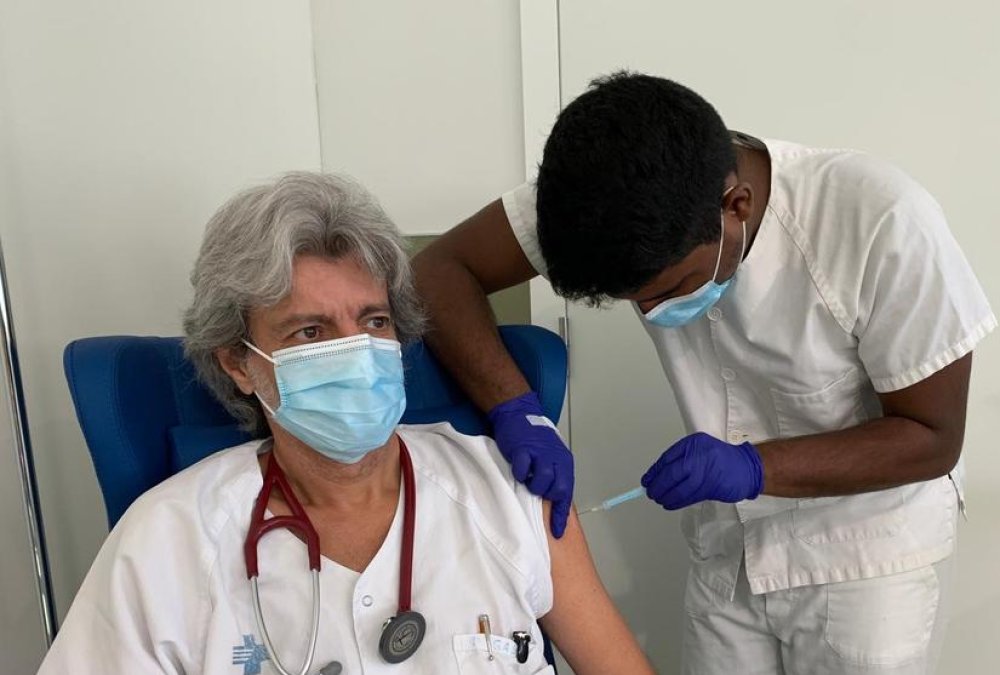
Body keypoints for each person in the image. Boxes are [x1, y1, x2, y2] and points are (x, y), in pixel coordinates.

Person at [413, 72, 995, 674]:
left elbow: (932, 437)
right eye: (632, 300)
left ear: (735, 206)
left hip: (868, 563)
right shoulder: (600, 197)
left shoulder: (880, 220)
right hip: (731, 550)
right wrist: (515, 412)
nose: (652, 314)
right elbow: (438, 271)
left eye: (669, 290)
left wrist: (754, 466)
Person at [40, 173, 654, 675]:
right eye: (310, 332)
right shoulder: (167, 539)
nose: (356, 352)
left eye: (374, 321)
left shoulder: (508, 492)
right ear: (239, 364)